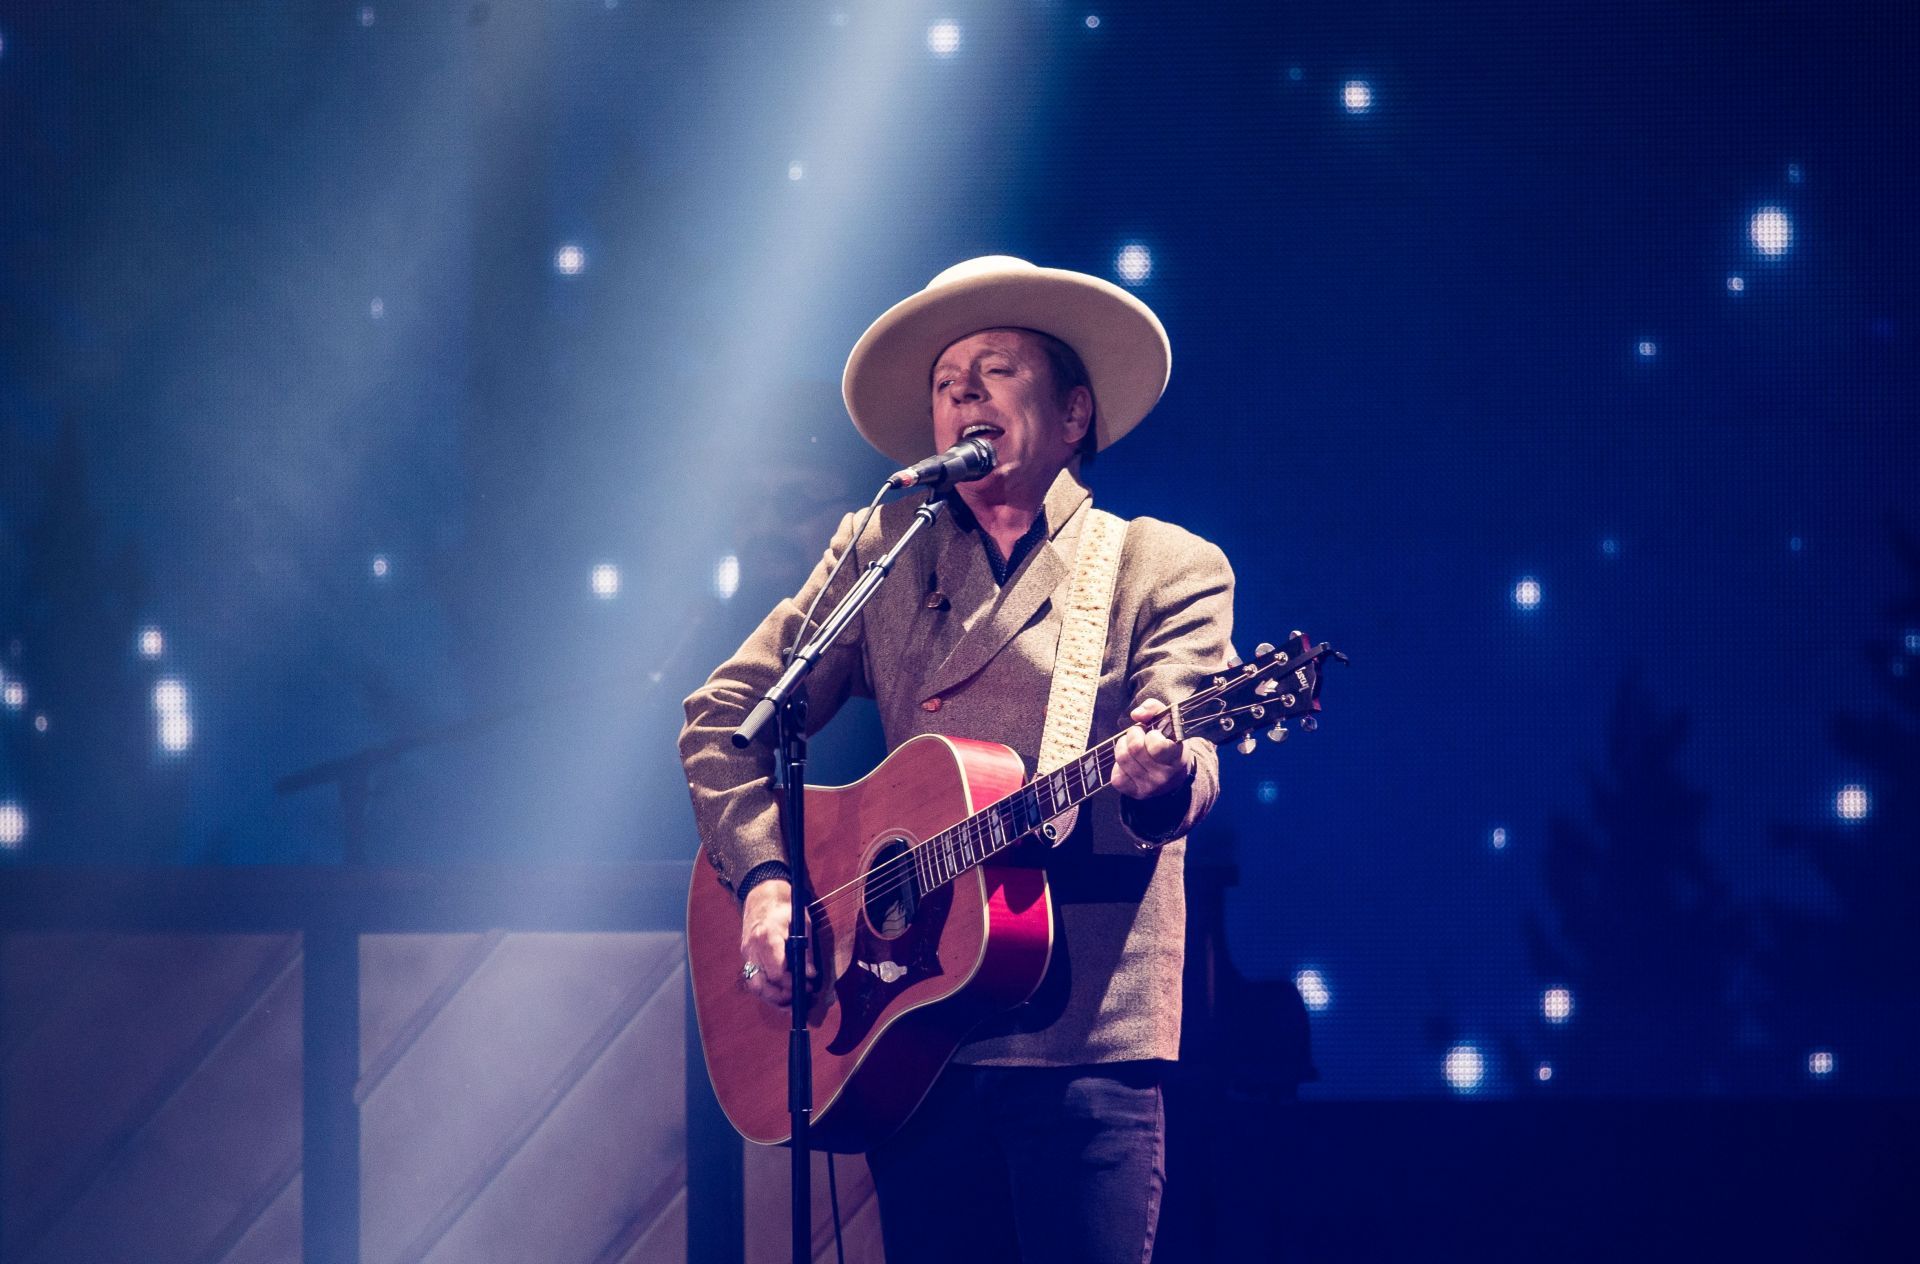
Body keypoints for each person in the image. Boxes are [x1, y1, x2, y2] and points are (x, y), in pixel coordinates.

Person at [679, 256, 1235, 1262]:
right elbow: (728, 716)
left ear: (1074, 414)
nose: (964, 393)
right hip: (913, 1033)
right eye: (946, 382)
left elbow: (1185, 738)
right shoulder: (883, 550)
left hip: (1085, 1044)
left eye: (996, 369)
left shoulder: (1163, 564)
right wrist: (765, 880)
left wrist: (1166, 774)